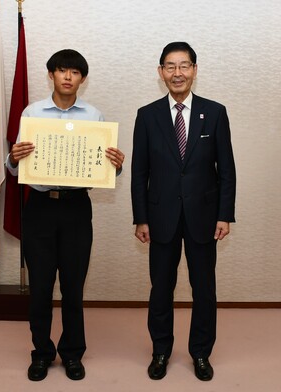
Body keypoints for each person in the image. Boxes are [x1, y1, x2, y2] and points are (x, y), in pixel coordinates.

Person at [6, 49, 125, 382]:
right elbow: (14, 169)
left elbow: (105, 172)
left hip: (76, 208)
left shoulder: (94, 117)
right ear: (51, 75)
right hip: (40, 208)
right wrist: (13, 158)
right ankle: (41, 353)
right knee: (41, 288)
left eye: (75, 72)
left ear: (82, 79)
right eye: (62, 71)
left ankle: (72, 354)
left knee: (73, 288)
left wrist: (116, 166)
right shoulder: (32, 113)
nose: (68, 77)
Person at [131, 42, 236, 381]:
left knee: (204, 288)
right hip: (160, 217)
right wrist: (141, 217)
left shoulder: (215, 112)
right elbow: (139, 172)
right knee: (161, 287)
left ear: (194, 70)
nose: (178, 73)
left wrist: (224, 214)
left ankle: (201, 353)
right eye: (170, 66)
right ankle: (160, 351)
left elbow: (227, 170)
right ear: (160, 72)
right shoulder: (147, 115)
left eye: (184, 65)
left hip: (204, 217)